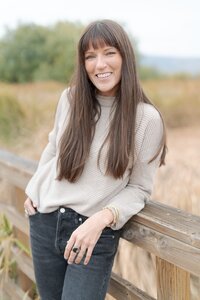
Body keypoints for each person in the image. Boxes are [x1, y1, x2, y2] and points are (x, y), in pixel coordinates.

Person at [24, 19, 167, 300]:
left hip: (93, 232)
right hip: (44, 222)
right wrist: (35, 186)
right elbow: (53, 147)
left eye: (109, 53)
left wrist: (100, 219)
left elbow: (139, 189)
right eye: (90, 56)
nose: (99, 64)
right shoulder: (70, 99)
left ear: (125, 56)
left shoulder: (146, 119)